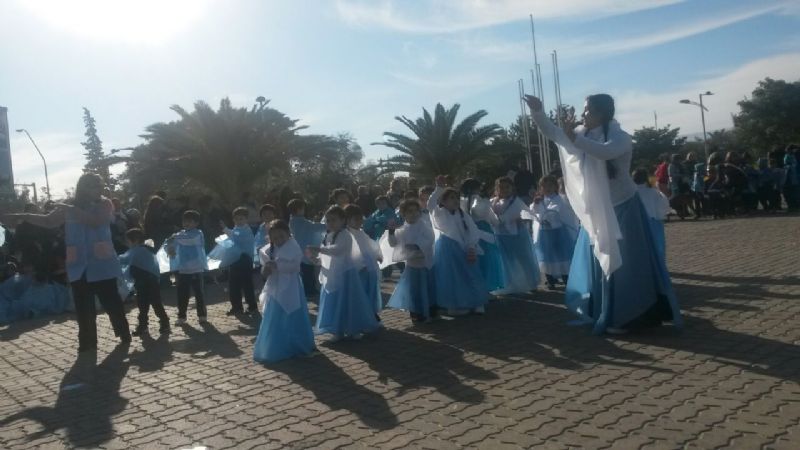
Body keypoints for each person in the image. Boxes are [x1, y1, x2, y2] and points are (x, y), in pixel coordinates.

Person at [525, 93, 681, 334]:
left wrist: (574, 138)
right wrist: (538, 112)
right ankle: (605, 311)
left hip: (623, 207)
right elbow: (554, 133)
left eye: (587, 110)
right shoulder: (582, 135)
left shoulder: (620, 137)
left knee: (626, 264)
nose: (583, 114)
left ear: (602, 113)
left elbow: (605, 152)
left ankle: (629, 316)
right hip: (596, 211)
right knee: (600, 262)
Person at [4, 173, 131, 352]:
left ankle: (124, 333)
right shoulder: (69, 206)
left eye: (100, 185)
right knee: (83, 307)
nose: (100, 189)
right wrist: (23, 216)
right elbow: (48, 221)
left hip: (102, 265)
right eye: (95, 185)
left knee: (112, 303)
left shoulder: (105, 203)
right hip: (79, 266)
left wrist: (70, 209)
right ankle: (87, 343)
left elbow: (95, 222)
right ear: (84, 187)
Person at [308, 206, 381, 341]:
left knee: (349, 302)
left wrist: (319, 250)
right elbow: (326, 256)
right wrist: (315, 259)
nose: (330, 223)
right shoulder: (327, 236)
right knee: (336, 303)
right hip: (333, 275)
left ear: (343, 220)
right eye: (328, 220)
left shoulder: (345, 235)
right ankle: (338, 331)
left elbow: (338, 250)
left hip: (346, 275)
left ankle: (355, 328)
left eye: (334, 220)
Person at [253, 220, 317, 363]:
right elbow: (264, 270)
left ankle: (296, 345)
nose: (279, 240)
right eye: (275, 238)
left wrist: (277, 265)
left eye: (281, 236)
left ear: (288, 234)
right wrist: (266, 269)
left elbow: (295, 266)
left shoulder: (294, 247)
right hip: (275, 288)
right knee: (275, 317)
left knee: (292, 315)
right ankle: (274, 347)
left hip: (291, 287)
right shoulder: (267, 250)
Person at [427, 176, 488, 316]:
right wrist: (439, 188)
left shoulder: (463, 214)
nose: (455, 201)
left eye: (456, 198)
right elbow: (431, 204)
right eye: (451, 198)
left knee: (470, 275)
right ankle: (456, 305)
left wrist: (471, 245)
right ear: (443, 201)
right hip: (447, 250)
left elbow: (473, 230)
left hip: (465, 249)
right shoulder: (439, 213)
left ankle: (476, 302)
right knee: (452, 278)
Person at [384, 199, 437, 323]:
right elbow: (393, 243)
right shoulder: (402, 230)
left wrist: (417, 245)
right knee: (414, 290)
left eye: (415, 211)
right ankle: (416, 312)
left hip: (424, 264)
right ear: (403, 214)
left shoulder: (424, 226)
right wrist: (391, 232)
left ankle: (429, 310)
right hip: (411, 265)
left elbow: (430, 238)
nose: (413, 214)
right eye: (409, 211)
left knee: (426, 288)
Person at [491, 176, 541, 295]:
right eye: (501, 188)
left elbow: (528, 213)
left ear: (512, 188)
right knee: (506, 261)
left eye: (507, 187)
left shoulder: (516, 201)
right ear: (497, 189)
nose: (504, 190)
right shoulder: (493, 202)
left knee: (524, 258)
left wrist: (520, 218)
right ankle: (510, 284)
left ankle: (531, 282)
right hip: (500, 235)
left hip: (517, 234)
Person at [120, 228, 170, 336]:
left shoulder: (137, 251)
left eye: (128, 241)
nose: (127, 244)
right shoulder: (147, 250)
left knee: (145, 306)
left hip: (145, 282)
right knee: (152, 304)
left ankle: (149, 325)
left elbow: (123, 259)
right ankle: (160, 323)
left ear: (135, 240)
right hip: (150, 282)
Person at [531, 175, 577, 290]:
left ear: (555, 187)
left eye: (550, 185)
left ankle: (566, 278)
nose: (547, 188)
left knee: (562, 254)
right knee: (547, 255)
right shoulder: (539, 200)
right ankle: (550, 279)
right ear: (540, 188)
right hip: (544, 233)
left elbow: (562, 211)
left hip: (559, 232)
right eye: (544, 186)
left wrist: (549, 216)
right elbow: (534, 212)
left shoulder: (560, 199)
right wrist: (536, 204)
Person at [461, 179, 505, 293]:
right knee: (488, 258)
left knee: (478, 259)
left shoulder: (462, 201)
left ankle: (478, 287)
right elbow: (485, 214)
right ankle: (486, 286)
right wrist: (497, 222)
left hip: (469, 231)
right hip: (483, 229)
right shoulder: (478, 200)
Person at [165, 210, 208, 325]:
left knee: (199, 293)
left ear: (196, 223)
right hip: (183, 270)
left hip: (197, 268)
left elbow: (189, 240)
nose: (186, 223)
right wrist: (170, 248)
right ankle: (182, 316)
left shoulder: (198, 233)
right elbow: (169, 244)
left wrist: (174, 238)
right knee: (182, 294)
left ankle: (202, 315)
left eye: (189, 221)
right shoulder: (180, 234)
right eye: (184, 221)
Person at [345, 204, 383, 318]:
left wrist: (377, 255)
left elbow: (370, 245)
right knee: (360, 292)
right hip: (358, 270)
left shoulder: (361, 232)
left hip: (369, 268)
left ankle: (371, 312)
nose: (360, 222)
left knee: (371, 291)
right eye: (356, 219)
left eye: (361, 219)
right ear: (347, 220)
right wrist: (359, 264)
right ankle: (363, 314)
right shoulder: (347, 234)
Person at [220, 207, 258, 315]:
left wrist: (225, 229)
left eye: (241, 219)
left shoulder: (246, 230)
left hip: (245, 260)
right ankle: (236, 307)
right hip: (235, 260)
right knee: (233, 284)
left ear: (246, 219)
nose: (238, 221)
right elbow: (233, 237)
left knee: (247, 285)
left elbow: (236, 238)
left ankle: (252, 307)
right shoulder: (236, 229)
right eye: (236, 219)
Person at [287, 198, 326, 297]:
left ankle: (310, 289)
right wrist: (327, 226)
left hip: (299, 248)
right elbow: (314, 227)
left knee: (306, 270)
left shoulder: (293, 220)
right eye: (303, 208)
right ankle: (309, 290)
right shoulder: (300, 221)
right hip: (305, 249)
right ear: (299, 209)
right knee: (307, 270)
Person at [632, 169, 671, 263]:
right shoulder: (654, 191)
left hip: (636, 224)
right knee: (657, 247)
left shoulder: (630, 193)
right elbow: (664, 206)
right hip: (653, 223)